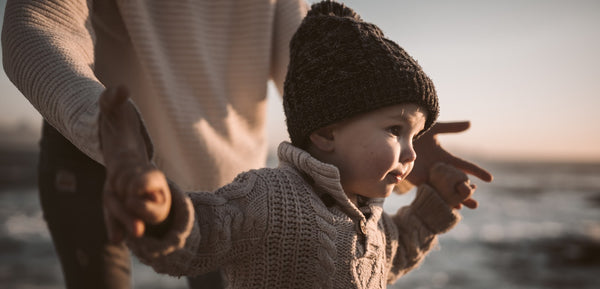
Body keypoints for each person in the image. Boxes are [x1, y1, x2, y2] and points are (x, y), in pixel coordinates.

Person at [99, 1, 487, 288]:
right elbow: (203, 233)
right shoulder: (269, 197)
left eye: (413, 136)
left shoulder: (370, 219)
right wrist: (165, 211)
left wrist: (436, 200)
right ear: (326, 133)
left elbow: (396, 251)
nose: (411, 152)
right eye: (394, 130)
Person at [2, 0, 310, 288]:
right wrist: (105, 127)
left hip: (227, 183)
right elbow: (39, 19)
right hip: (98, 144)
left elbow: (308, 61)